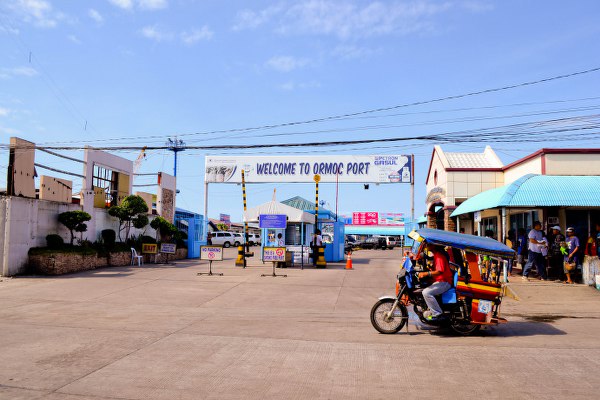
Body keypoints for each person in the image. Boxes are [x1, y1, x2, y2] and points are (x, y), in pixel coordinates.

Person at [418, 244, 453, 320]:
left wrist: (426, 273)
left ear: (434, 246)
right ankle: (429, 309)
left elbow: (440, 271)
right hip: (439, 281)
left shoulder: (439, 256)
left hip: (444, 281)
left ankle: (437, 313)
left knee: (426, 293)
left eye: (428, 244)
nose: (427, 246)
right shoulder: (436, 255)